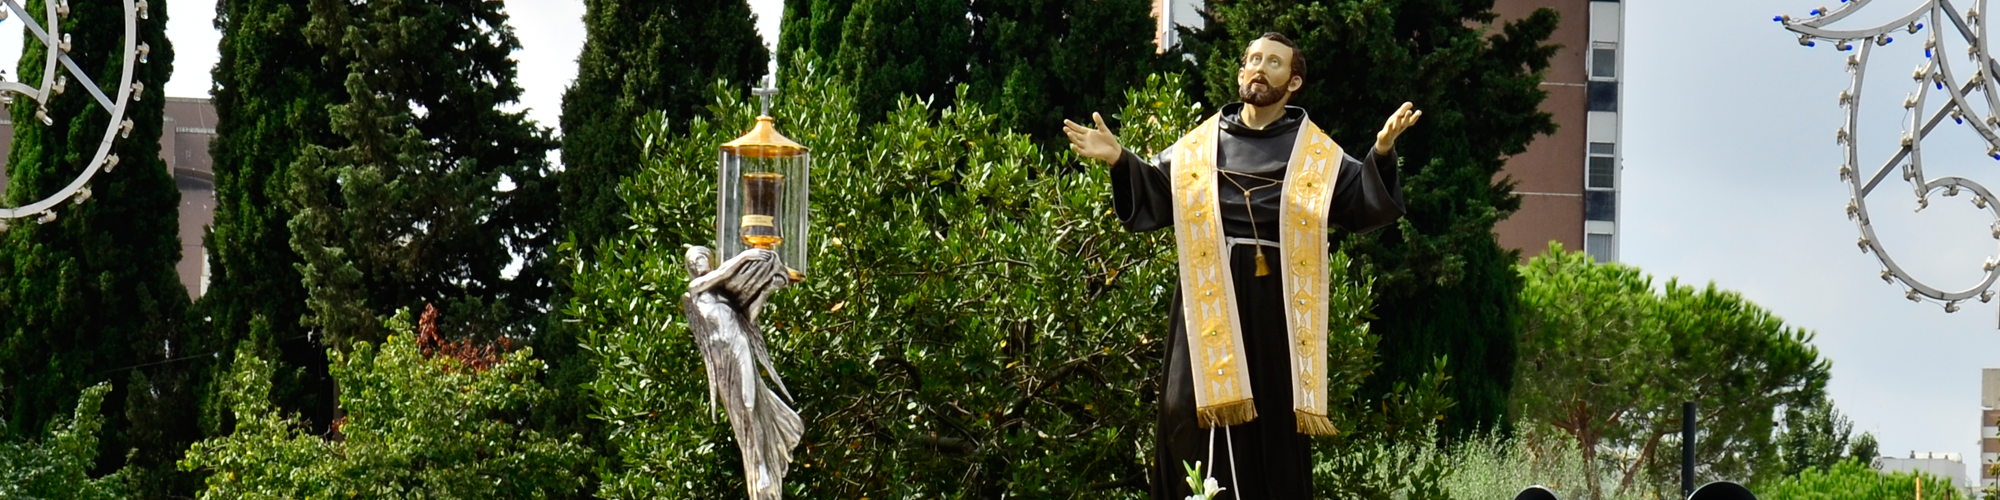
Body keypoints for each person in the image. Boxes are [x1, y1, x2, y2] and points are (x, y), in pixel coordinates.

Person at [1063, 32, 1421, 500]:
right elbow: (1155, 191)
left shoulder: (1313, 152)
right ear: (1239, 74)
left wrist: (1382, 153)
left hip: (1276, 310)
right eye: (1252, 59)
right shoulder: (1199, 147)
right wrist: (1119, 159)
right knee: (1182, 411)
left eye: (1273, 62)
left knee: (1270, 427)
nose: (1259, 67)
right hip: (1207, 304)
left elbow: (1362, 202)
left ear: (1292, 82)